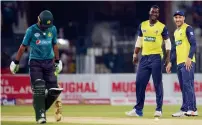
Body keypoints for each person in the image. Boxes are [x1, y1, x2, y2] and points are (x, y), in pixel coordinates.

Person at [10, 10, 63, 124]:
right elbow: (22, 47)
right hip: (35, 63)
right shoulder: (31, 30)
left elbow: (55, 45)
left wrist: (57, 61)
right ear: (39, 20)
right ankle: (40, 116)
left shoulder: (52, 29)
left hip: (49, 63)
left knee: (54, 90)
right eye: (44, 25)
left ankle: (40, 108)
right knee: (39, 86)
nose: (45, 28)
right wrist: (16, 62)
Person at [125, 5, 171, 117]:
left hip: (156, 57)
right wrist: (135, 54)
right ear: (149, 12)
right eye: (153, 12)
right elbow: (139, 41)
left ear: (158, 14)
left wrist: (167, 58)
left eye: (157, 12)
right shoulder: (143, 25)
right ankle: (138, 110)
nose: (155, 14)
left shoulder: (162, 27)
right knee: (140, 83)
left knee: (157, 84)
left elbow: (168, 43)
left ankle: (159, 109)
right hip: (144, 58)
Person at [166, 11, 198, 117]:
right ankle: (184, 109)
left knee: (188, 85)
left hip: (187, 62)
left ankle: (193, 109)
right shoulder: (176, 32)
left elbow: (193, 44)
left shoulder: (188, 28)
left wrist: (189, 58)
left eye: (180, 17)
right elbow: (175, 49)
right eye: (176, 17)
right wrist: (170, 61)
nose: (178, 19)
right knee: (184, 87)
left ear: (184, 18)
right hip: (179, 63)